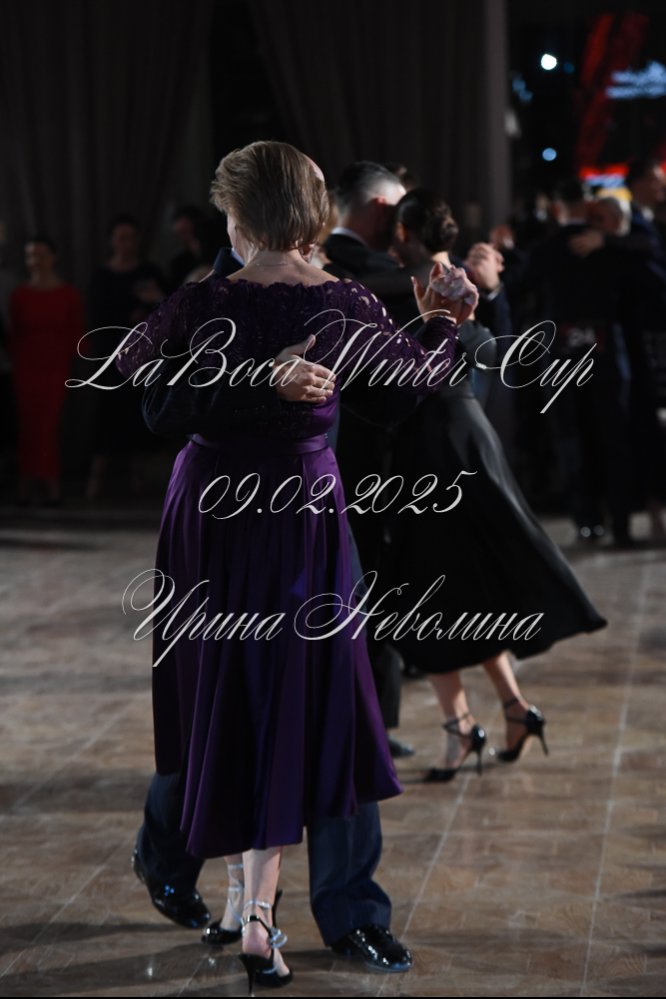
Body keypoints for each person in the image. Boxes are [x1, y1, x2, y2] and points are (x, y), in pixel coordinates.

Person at [115, 141, 470, 991]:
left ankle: (347, 911)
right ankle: (182, 857)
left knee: (329, 698)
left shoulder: (339, 299)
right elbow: (156, 401)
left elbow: (391, 396)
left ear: (239, 216)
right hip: (219, 518)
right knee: (219, 692)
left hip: (301, 517)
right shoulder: (211, 298)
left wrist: (436, 324)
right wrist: (261, 381)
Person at [385, 188, 607, 780]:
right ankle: (513, 709)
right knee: (464, 587)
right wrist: (492, 294)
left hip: (432, 447)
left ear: (404, 234)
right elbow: (493, 353)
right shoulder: (460, 280)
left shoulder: (405, 287)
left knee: (428, 592)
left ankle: (462, 727)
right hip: (468, 438)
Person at [87, 215, 167, 499]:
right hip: (110, 356)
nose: (126, 244)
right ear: (112, 241)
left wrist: (150, 307)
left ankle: (137, 478)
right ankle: (96, 478)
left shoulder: (149, 272)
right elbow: (96, 316)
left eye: (130, 238)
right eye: (121, 238)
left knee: (138, 415)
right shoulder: (102, 276)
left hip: (143, 357)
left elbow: (166, 310)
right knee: (106, 415)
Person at [8, 236, 84, 505]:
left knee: (48, 426)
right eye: (31, 255)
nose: (35, 261)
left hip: (56, 367)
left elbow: (77, 334)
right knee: (28, 425)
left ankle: (51, 486)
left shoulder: (68, 294)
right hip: (26, 366)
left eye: (41, 254)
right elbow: (14, 335)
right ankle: (26, 485)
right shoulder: (19, 295)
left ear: (53, 258)